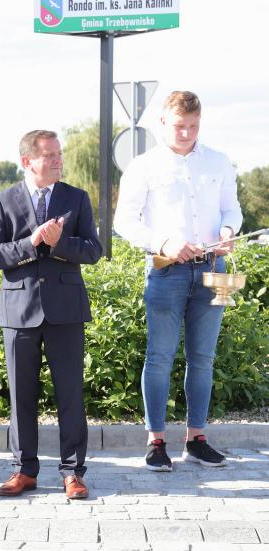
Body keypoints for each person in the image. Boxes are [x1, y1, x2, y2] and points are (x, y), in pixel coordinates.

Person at [114, 91, 242, 472]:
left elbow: (232, 208)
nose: (187, 133)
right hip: (166, 270)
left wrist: (228, 229)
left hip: (214, 268)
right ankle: (156, 442)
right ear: (162, 123)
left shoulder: (219, 161)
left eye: (193, 126)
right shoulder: (143, 166)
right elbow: (124, 221)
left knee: (203, 358)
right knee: (159, 356)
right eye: (179, 126)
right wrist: (164, 242)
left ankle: (196, 440)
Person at [0, 130, 103, 499]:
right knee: (21, 397)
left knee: (70, 395)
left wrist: (59, 243)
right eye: (49, 155)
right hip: (19, 311)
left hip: (66, 310)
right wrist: (32, 242)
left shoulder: (76, 198)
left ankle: (73, 472)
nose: (58, 160)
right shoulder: (3, 201)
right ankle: (24, 470)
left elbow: (93, 250)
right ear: (27, 161)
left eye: (58, 154)